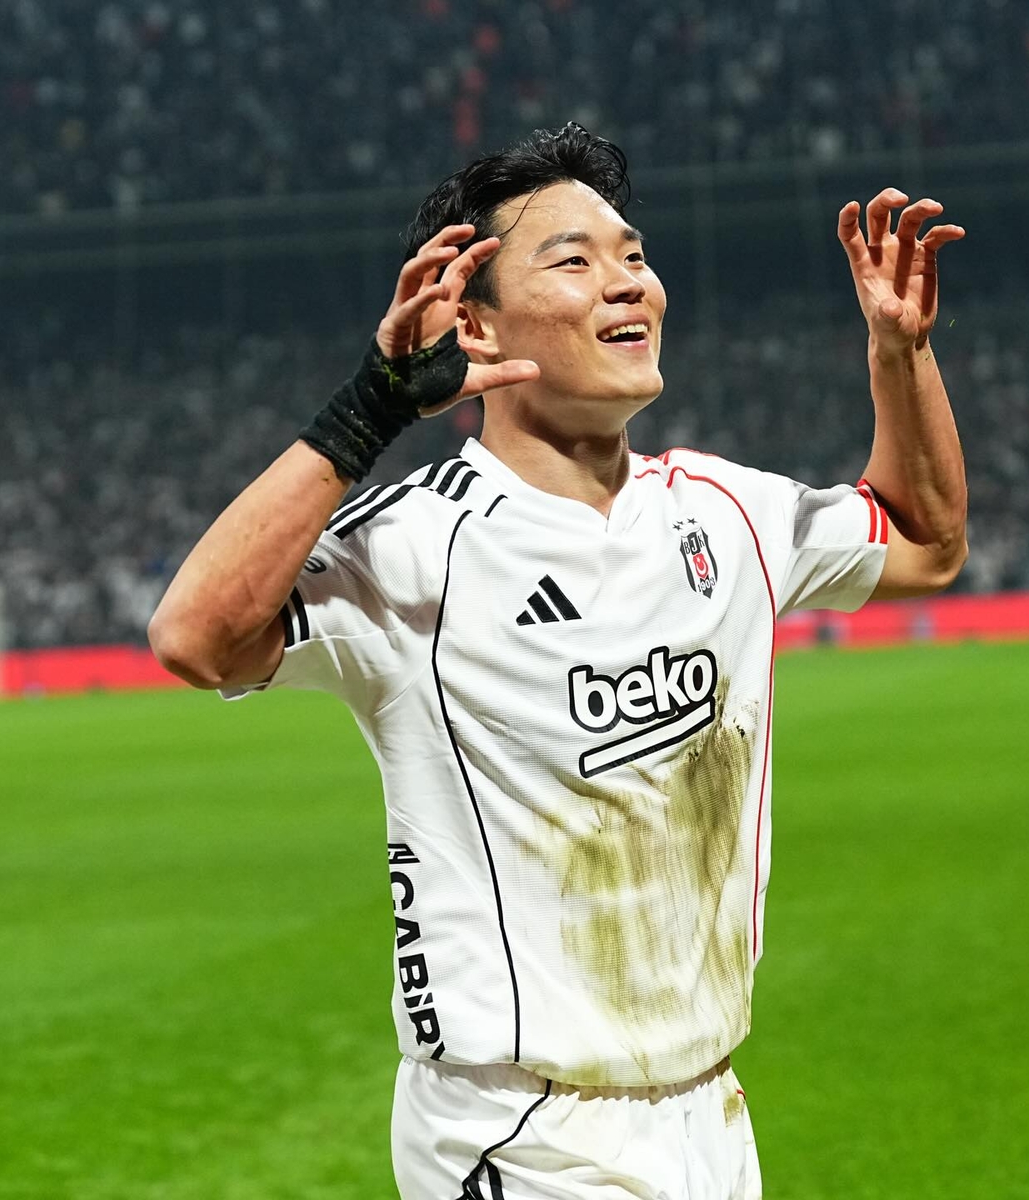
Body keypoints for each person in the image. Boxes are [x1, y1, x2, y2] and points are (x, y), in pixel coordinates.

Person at [149, 123, 967, 1199]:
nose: (628, 283)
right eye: (574, 261)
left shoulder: (726, 511)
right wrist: (370, 407)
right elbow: (196, 638)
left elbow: (925, 542)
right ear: (472, 321)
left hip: (710, 1113)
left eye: (634, 255)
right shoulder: (418, 549)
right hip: (520, 1131)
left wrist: (899, 354)